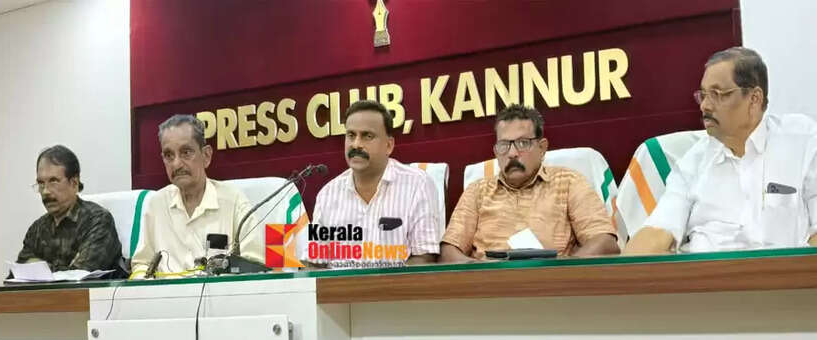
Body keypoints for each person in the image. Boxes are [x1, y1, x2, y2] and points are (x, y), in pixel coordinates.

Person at [625, 47, 817, 254]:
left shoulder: (802, 142)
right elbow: (658, 230)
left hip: (785, 272)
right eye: (703, 95)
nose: (704, 106)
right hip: (710, 272)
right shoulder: (694, 161)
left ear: (754, 99)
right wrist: (634, 258)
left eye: (717, 94)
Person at [440, 104, 619, 262]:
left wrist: (562, 272)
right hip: (489, 283)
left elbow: (604, 241)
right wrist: (477, 271)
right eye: (504, 145)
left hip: (553, 284)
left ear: (542, 148)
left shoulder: (569, 182)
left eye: (522, 143)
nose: (512, 153)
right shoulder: (477, 191)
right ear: (495, 151)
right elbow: (449, 251)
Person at [309, 100, 440, 267]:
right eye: (351, 135)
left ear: (388, 145)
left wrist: (382, 283)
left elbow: (425, 257)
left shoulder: (418, 185)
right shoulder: (327, 194)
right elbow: (315, 263)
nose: (356, 144)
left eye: (367, 136)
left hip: (398, 283)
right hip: (339, 284)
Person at [130, 114, 263, 277]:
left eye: (186, 152)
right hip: (165, 292)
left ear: (206, 156)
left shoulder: (234, 201)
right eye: (169, 155)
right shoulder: (156, 204)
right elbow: (141, 264)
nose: (176, 164)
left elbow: (255, 265)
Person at [17, 145, 123, 273]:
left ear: (74, 183)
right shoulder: (37, 229)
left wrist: (39, 267)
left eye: (53, 181)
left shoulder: (97, 221)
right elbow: (17, 275)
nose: (45, 191)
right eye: (41, 183)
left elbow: (82, 274)